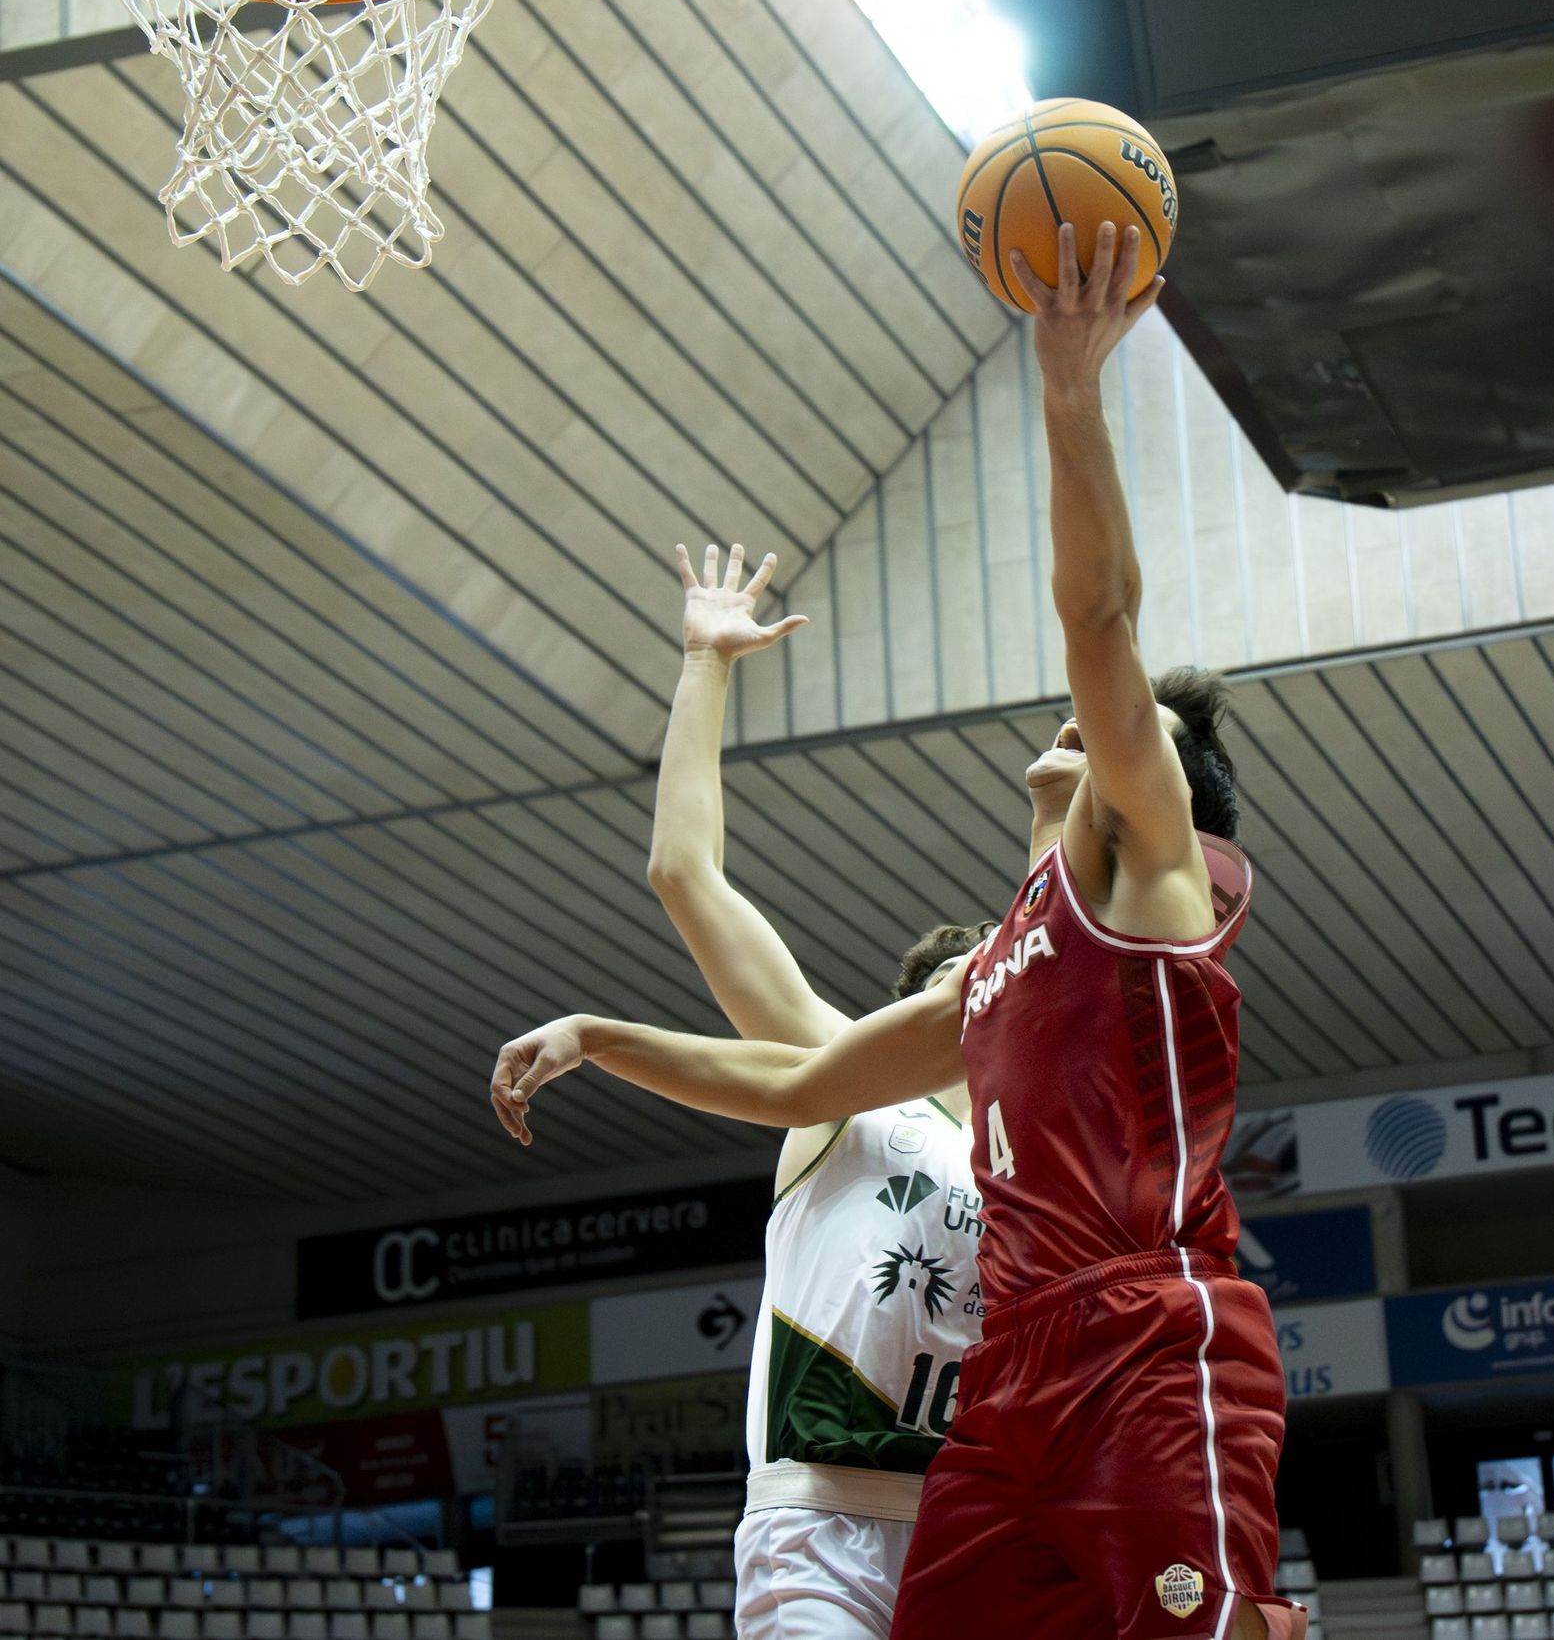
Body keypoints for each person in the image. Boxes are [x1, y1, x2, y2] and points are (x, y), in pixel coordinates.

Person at [492, 221, 1303, 1640]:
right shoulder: (990, 987)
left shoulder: (1153, 884)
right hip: (993, 1405)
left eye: (1124, 740)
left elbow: (1099, 621)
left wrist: (1068, 386)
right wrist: (605, 1033)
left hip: (1140, 1334)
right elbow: (792, 1061)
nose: (1089, 730)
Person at [613, 541, 1014, 1639]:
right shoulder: (850, 1087)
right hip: (824, 1523)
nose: (985, 980)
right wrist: (706, 663)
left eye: (999, 965)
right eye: (962, 971)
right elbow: (684, 874)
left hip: (979, 1524)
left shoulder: (1040, 1152)